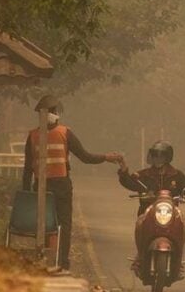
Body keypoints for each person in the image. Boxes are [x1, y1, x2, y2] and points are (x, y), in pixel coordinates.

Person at [22, 95, 120, 272]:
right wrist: (107, 157)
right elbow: (85, 157)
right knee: (64, 225)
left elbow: (27, 169)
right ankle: (62, 263)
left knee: (43, 224)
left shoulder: (32, 135)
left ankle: (42, 259)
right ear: (55, 113)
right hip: (61, 187)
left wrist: (26, 192)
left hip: (40, 188)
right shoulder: (65, 132)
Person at [117, 140, 185, 275]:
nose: (157, 159)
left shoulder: (176, 175)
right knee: (140, 224)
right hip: (147, 212)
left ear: (167, 157)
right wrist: (124, 169)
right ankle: (140, 256)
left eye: (161, 156)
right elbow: (129, 182)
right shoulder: (144, 174)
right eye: (155, 156)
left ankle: (178, 260)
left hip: (171, 213)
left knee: (183, 225)